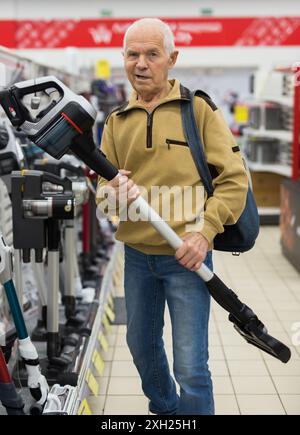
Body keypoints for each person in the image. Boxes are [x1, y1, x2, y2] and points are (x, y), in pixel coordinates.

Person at [96, 18, 248, 415]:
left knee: (191, 365)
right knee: (141, 349)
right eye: (132, 54)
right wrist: (112, 194)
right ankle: (167, 412)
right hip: (137, 257)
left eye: (151, 54)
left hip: (188, 256)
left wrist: (205, 233)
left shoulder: (196, 110)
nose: (141, 63)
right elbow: (104, 200)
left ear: (171, 59)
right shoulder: (116, 122)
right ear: (123, 59)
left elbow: (234, 179)